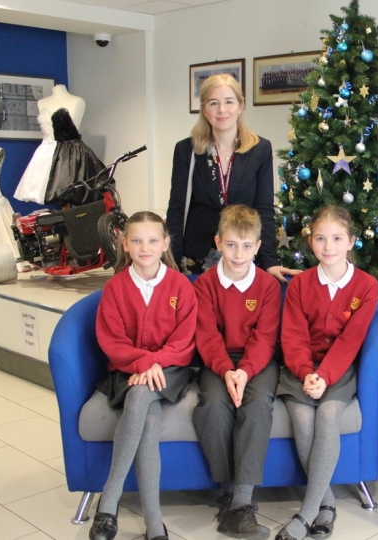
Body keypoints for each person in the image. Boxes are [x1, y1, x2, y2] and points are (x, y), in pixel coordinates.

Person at [90, 212, 198, 540]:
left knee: (141, 395)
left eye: (153, 240)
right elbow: (112, 340)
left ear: (165, 243)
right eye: (136, 240)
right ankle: (154, 522)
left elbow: (185, 339)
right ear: (125, 243)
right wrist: (142, 364)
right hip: (128, 370)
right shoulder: (116, 287)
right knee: (147, 416)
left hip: (171, 370)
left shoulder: (180, 285)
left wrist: (156, 363)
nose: (145, 247)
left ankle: (109, 502)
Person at [275, 206, 378, 540]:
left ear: (351, 241)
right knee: (303, 419)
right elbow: (293, 336)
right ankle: (327, 504)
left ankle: (306, 513)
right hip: (299, 369)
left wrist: (326, 376)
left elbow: (351, 340)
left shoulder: (366, 286)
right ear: (311, 242)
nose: (328, 246)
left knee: (329, 415)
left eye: (336, 238)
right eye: (320, 238)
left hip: (338, 369)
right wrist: (307, 373)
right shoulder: (301, 285)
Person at [193, 205, 282, 540]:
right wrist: (226, 371)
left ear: (258, 246)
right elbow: (206, 334)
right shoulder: (204, 285)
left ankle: (241, 503)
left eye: (246, 246)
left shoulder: (267, 287)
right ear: (218, 243)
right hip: (217, 360)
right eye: (231, 245)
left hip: (257, 361)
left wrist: (244, 372)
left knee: (257, 406)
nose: (238, 254)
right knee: (213, 407)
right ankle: (230, 494)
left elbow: (265, 337)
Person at [167, 74, 297, 282]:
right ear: (204, 110)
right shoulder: (186, 150)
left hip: (242, 257)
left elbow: (264, 209)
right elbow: (176, 209)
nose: (222, 110)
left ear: (241, 105)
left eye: (229, 101)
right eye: (213, 103)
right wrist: (170, 263)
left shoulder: (260, 149)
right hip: (196, 259)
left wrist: (269, 261)